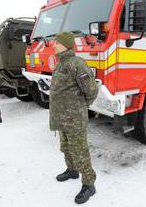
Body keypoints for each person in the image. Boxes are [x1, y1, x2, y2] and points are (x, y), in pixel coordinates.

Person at [49, 31, 98, 204]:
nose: (54, 44)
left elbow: (91, 90)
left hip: (74, 118)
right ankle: (72, 170)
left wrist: (81, 106)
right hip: (61, 118)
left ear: (66, 44)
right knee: (66, 147)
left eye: (57, 42)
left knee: (80, 152)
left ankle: (89, 184)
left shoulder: (77, 63)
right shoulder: (60, 63)